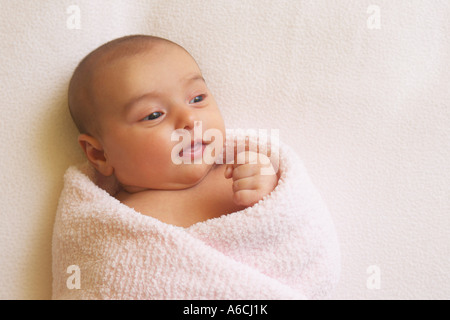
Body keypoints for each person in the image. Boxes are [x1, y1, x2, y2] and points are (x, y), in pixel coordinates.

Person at [68, 34, 278, 228]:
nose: (189, 119)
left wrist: (267, 186)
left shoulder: (239, 173)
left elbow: (287, 221)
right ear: (100, 154)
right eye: (153, 115)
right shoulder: (113, 221)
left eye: (197, 99)